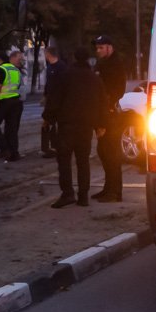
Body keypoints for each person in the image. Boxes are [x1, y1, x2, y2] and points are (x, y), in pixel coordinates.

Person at [44, 46, 106, 207]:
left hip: (67, 126)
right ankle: (83, 196)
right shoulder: (95, 78)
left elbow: (55, 99)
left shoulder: (66, 76)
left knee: (64, 161)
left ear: (74, 58)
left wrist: (47, 118)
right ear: (87, 59)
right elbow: (102, 103)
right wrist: (100, 125)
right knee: (83, 161)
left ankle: (67, 194)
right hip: (86, 127)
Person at [92, 34, 127, 202]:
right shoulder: (102, 63)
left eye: (101, 48)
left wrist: (107, 104)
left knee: (111, 153)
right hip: (101, 112)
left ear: (109, 47)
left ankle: (115, 192)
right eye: (97, 48)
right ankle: (108, 188)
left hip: (110, 114)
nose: (98, 51)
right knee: (103, 151)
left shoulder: (115, 64)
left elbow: (117, 90)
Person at [0, 50, 24, 162]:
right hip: (15, 102)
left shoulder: (2, 69)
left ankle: (4, 149)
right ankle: (14, 153)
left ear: (0, 60)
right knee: (11, 129)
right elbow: (19, 85)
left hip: (3, 102)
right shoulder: (16, 70)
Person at [40, 45, 69, 158]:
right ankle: (48, 148)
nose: (45, 55)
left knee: (52, 124)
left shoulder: (61, 67)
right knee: (47, 124)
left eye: (45, 53)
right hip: (51, 101)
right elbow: (49, 84)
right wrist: (45, 95)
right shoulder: (49, 67)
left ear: (48, 54)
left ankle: (55, 148)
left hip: (59, 103)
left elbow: (63, 86)